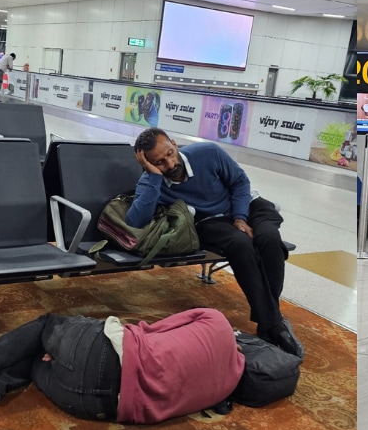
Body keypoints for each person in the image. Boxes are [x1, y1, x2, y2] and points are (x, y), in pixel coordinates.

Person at [128, 128, 302, 357]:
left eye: (170, 153)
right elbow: (136, 220)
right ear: (147, 164)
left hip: (248, 205)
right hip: (211, 221)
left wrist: (240, 217)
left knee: (269, 239)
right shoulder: (151, 182)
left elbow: (240, 182)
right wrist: (153, 177)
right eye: (159, 162)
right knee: (240, 245)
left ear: (174, 142)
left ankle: (270, 321)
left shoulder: (207, 152)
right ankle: (274, 323)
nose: (170, 165)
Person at [0, 308, 244, 421]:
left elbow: (149, 329)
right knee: (33, 364)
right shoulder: (226, 386)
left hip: (104, 352)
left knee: (46, 325)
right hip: (93, 405)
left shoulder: (215, 320)